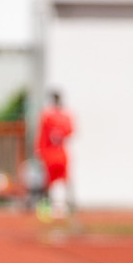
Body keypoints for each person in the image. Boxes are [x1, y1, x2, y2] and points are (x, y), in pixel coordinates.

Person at [36, 90, 75, 219]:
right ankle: (60, 208)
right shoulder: (66, 116)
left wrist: (39, 150)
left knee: (51, 182)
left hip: (51, 154)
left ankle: (54, 208)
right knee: (60, 181)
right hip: (59, 154)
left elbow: (41, 135)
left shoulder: (47, 116)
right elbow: (70, 131)